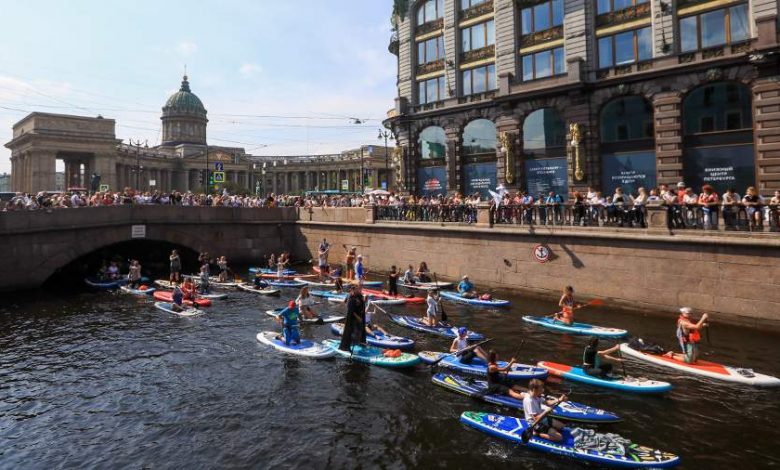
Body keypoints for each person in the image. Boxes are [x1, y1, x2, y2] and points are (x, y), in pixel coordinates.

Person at [338, 285, 366, 351]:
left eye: (360, 289)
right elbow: (351, 310)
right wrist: (358, 318)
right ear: (354, 290)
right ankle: (347, 347)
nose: (360, 290)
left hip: (360, 317)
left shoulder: (360, 296)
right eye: (358, 289)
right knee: (352, 332)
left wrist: (365, 300)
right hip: (353, 318)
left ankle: (360, 343)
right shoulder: (352, 298)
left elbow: (362, 306)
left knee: (360, 331)